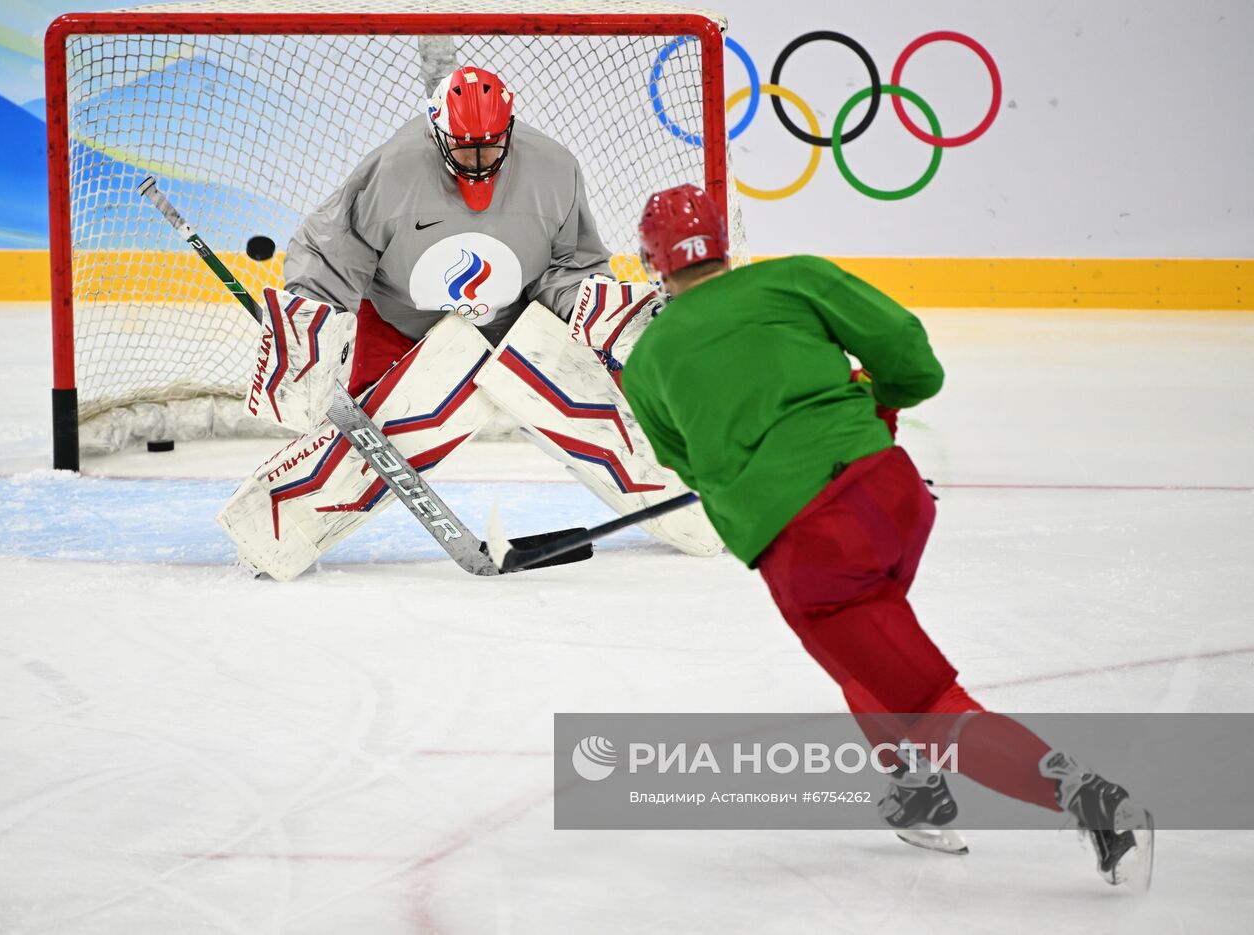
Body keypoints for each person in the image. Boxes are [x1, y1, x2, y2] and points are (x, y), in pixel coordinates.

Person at [619, 183, 1153, 889]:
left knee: (929, 704)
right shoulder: (797, 277)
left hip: (812, 551)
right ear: (725, 241)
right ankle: (916, 791)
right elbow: (909, 355)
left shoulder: (649, 362)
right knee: (870, 657)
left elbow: (688, 464)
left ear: (654, 265)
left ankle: (1087, 797)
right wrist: (879, 401)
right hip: (892, 496)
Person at [215, 69, 719, 581]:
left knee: (598, 418)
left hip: (515, 324)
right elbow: (330, 254)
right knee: (366, 443)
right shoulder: (394, 169)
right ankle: (272, 528)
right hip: (399, 324)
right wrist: (307, 329)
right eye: (464, 147)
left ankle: (705, 510)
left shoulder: (554, 169)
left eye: (490, 145)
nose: (478, 161)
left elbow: (570, 266)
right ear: (437, 130)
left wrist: (601, 310)